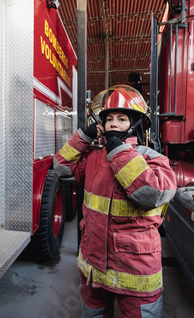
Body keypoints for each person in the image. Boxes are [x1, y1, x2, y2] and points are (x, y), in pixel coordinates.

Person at [54, 85, 177, 318]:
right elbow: (60, 167)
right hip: (94, 267)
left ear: (136, 125)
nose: (113, 123)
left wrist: (118, 150)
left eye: (121, 119)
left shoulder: (152, 159)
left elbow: (152, 194)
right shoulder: (92, 158)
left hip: (135, 271)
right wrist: (85, 136)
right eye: (109, 118)